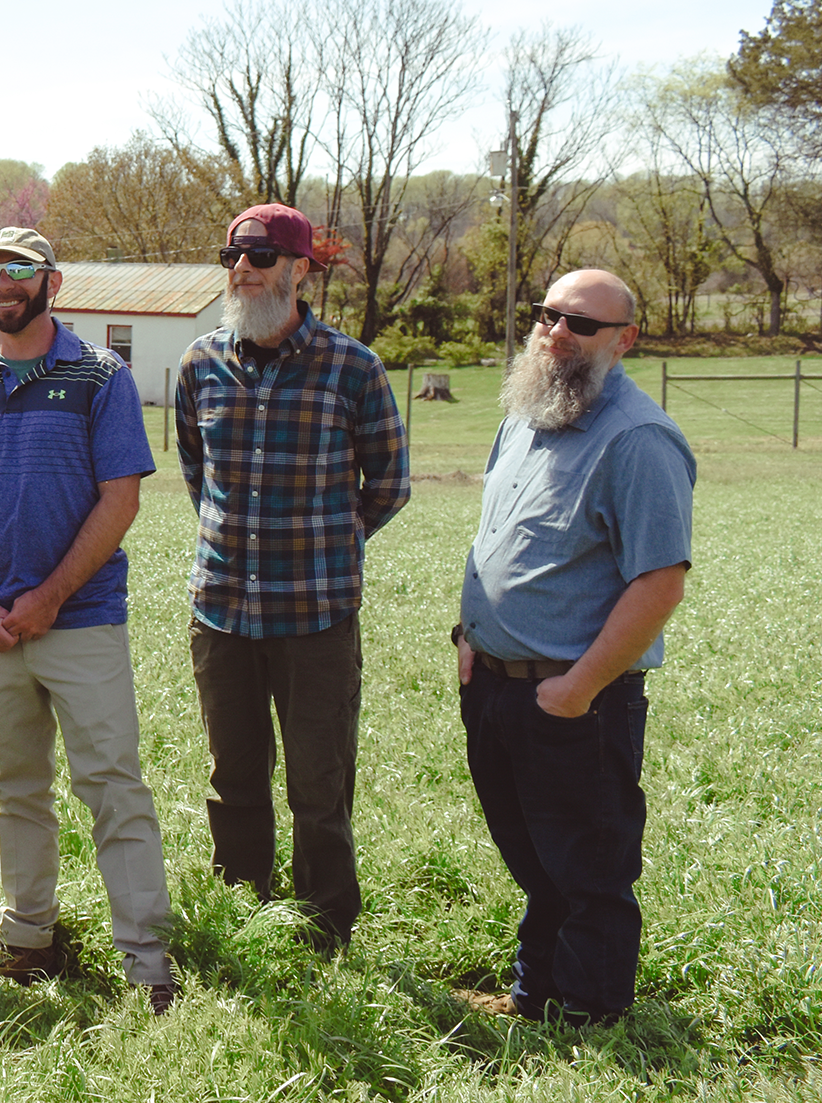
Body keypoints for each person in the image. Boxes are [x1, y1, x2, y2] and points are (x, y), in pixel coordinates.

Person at [0, 226, 177, 1012]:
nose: (2, 283)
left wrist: (51, 597)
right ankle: (28, 936)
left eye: (19, 271)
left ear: (51, 281)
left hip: (81, 621)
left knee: (112, 786)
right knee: (16, 789)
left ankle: (145, 963)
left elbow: (120, 498)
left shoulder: (100, 376)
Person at [455, 269, 693, 1025]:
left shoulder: (639, 438)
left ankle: (592, 1015)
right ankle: (537, 991)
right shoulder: (528, 412)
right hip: (496, 686)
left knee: (589, 863)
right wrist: (468, 638)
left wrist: (580, 687)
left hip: (573, 699)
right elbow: (498, 536)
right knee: (533, 853)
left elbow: (658, 584)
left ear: (623, 339)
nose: (555, 332)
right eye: (546, 315)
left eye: (579, 323)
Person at [174, 203, 409, 951]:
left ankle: (324, 929)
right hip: (221, 615)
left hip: (316, 618)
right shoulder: (199, 363)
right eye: (233, 254)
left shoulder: (354, 367)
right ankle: (244, 914)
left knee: (320, 783)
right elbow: (195, 471)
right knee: (231, 778)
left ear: (301, 269)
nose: (243, 267)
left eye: (263, 254)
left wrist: (327, 544)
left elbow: (390, 483)